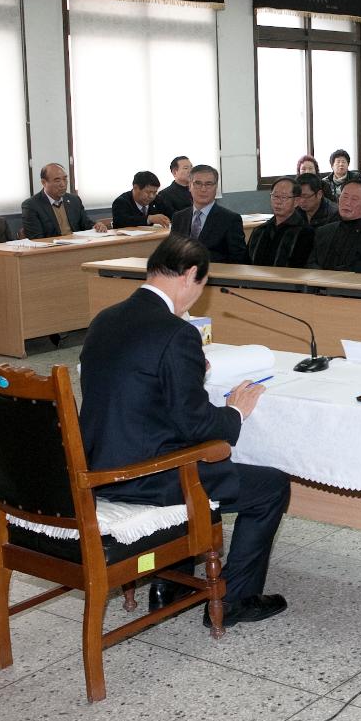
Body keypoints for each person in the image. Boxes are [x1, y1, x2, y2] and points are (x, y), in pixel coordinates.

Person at [80, 234, 288, 628]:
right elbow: (194, 425)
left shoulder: (105, 319)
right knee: (271, 486)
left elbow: (131, 389)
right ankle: (235, 599)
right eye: (202, 285)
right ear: (191, 274)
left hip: (97, 466)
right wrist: (234, 413)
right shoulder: (177, 333)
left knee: (185, 457)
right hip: (145, 478)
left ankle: (170, 584)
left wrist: (189, 371)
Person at [306, 178, 361, 273]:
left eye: (354, 199)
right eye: (344, 197)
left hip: (355, 286)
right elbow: (311, 263)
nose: (347, 203)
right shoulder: (323, 231)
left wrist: (330, 277)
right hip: (320, 284)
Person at [169, 164, 247, 264]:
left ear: (216, 187)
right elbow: (172, 253)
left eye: (209, 184)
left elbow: (239, 259)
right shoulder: (179, 217)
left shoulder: (230, 219)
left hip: (216, 276)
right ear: (189, 186)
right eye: (198, 183)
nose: (203, 189)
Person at [21, 162, 105, 238]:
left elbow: (85, 224)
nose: (63, 184)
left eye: (65, 179)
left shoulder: (74, 200)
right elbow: (37, 239)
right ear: (44, 182)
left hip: (78, 246)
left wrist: (96, 226)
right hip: (53, 251)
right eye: (57, 180)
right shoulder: (31, 205)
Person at [246, 177, 314, 268]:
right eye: (275, 196)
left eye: (284, 197)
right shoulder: (259, 230)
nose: (278, 202)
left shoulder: (305, 233)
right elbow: (246, 262)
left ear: (296, 201)